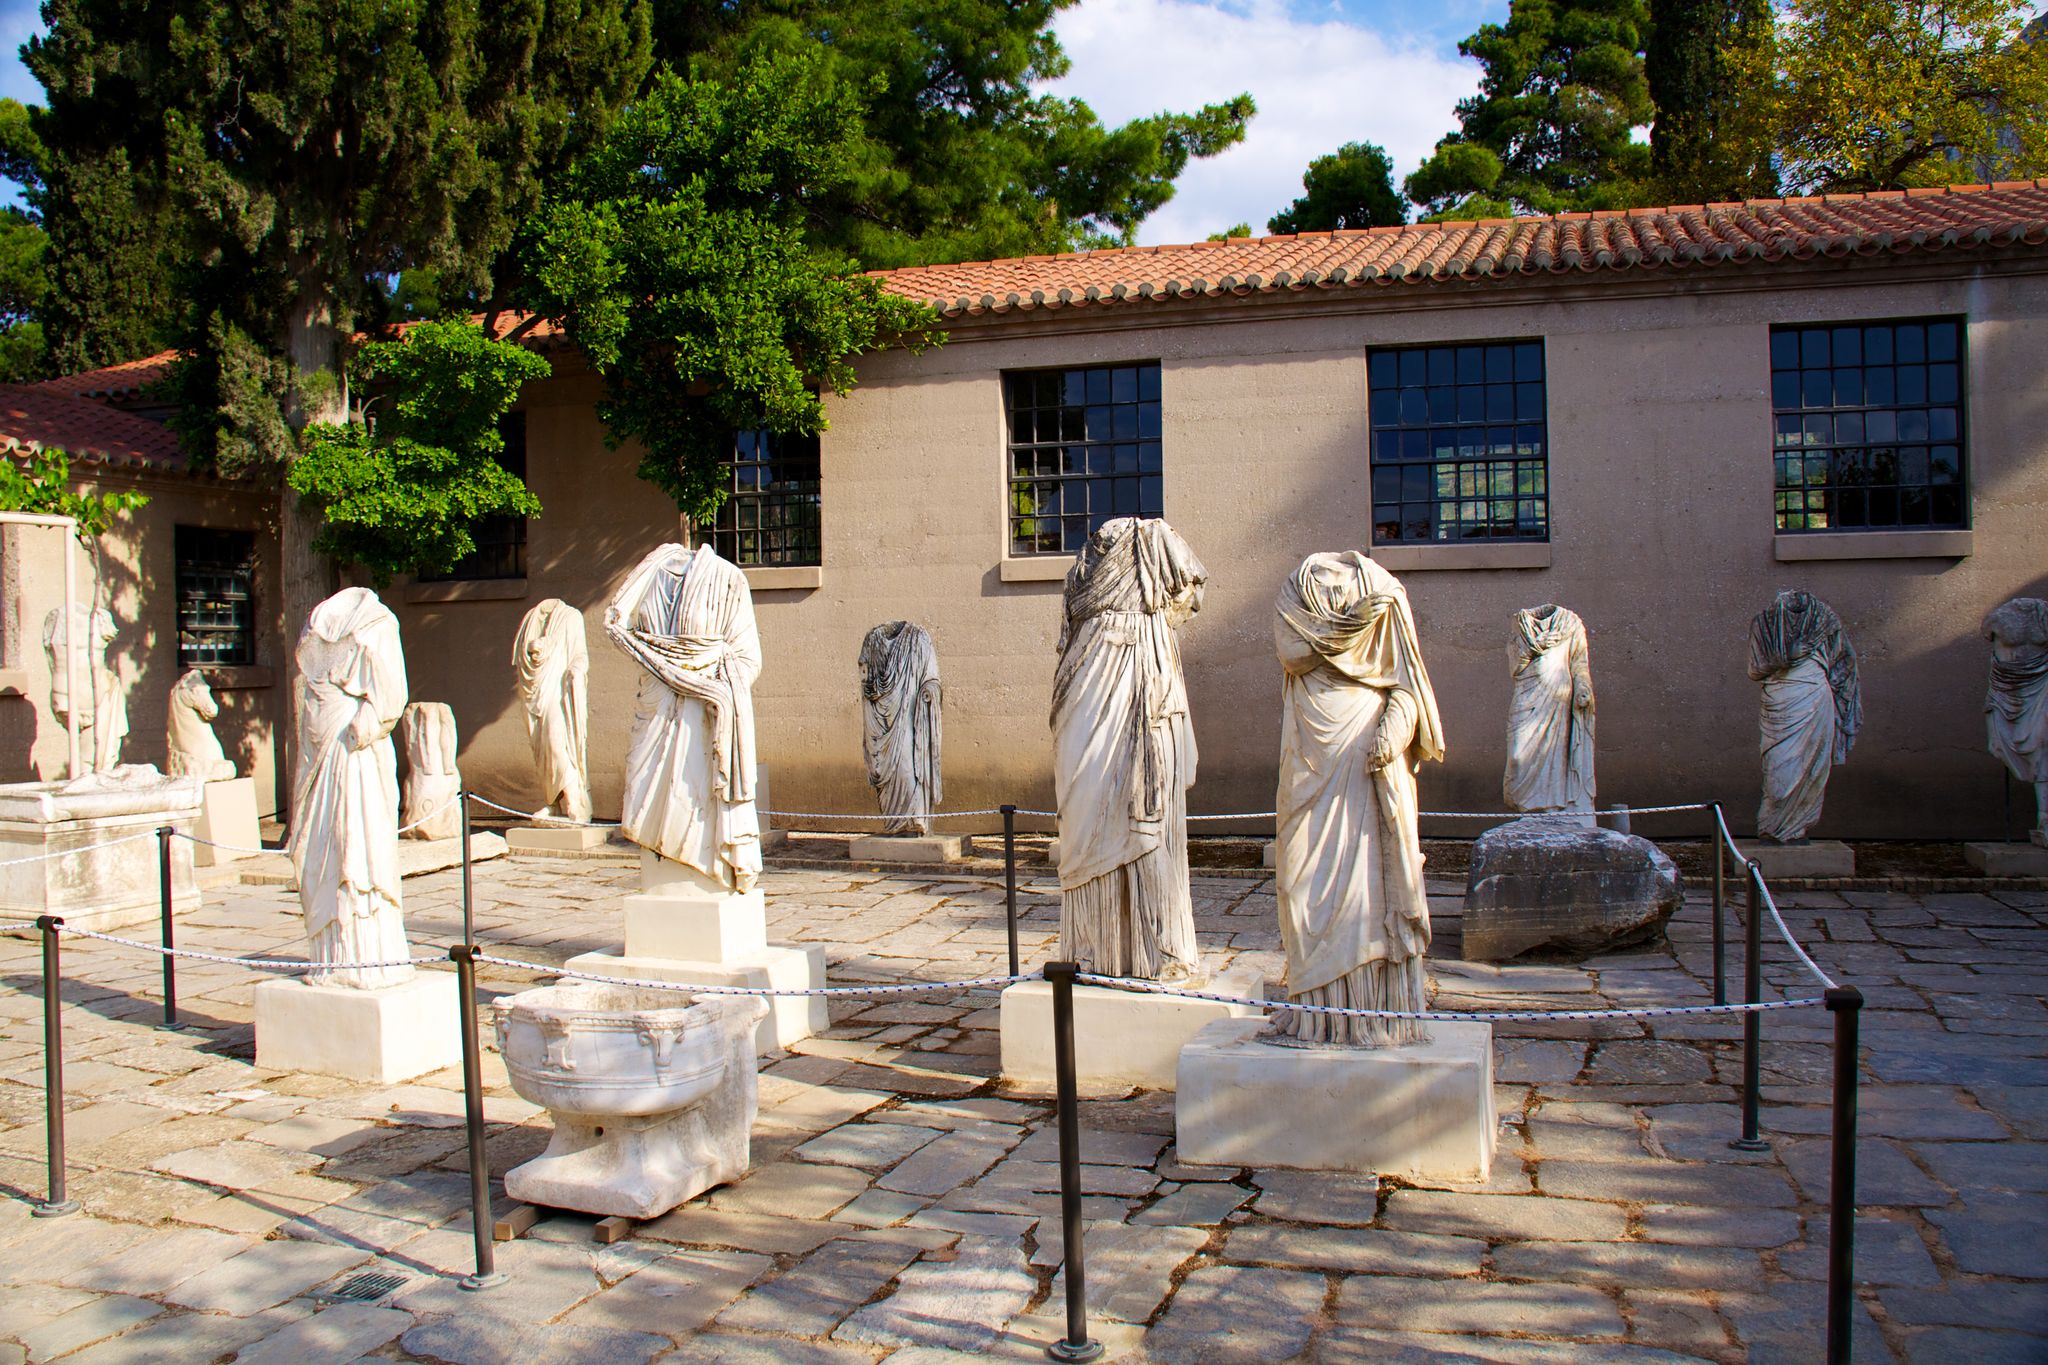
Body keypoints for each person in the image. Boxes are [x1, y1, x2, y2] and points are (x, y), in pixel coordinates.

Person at [1271, 552, 1444, 1048]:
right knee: (1297, 881)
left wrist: (1395, 726)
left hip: (1363, 746)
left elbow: (1408, 685)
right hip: (1308, 751)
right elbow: (1291, 650)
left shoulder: (1384, 592)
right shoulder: (1293, 590)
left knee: (1369, 887)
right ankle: (1316, 1012)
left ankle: (1374, 1014)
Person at [1051, 516, 1206, 981]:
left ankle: (1157, 949)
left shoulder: (1153, 542)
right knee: (1087, 815)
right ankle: (1093, 946)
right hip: (1085, 685)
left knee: (1145, 816)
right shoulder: (1087, 569)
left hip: (1139, 680)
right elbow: (1191, 593)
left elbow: (1192, 590)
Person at [607, 543, 762, 891]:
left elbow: (748, 658)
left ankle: (704, 864)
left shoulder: (726, 579)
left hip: (703, 709)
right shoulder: (647, 577)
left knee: (693, 790)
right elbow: (622, 625)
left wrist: (714, 687)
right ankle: (664, 866)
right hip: (655, 705)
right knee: (643, 784)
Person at [289, 587, 414, 989]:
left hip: (354, 756)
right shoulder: (373, 627)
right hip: (333, 754)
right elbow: (389, 698)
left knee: (358, 849)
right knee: (332, 847)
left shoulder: (372, 626)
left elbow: (387, 701)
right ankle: (335, 956)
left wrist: (371, 722)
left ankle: (365, 955)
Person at [1748, 590, 1860, 843]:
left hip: (1817, 700)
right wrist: (1788, 657)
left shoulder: (1825, 622)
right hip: (1780, 701)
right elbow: (1754, 670)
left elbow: (1843, 663)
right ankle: (1773, 826)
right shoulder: (1765, 623)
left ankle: (1796, 828)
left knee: (1814, 768)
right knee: (1778, 772)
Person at [1502, 604, 1595, 814]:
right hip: (1526, 696)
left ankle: (1550, 810)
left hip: (1556, 700)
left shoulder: (1571, 624)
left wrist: (1583, 688)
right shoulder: (1520, 627)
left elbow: (1579, 663)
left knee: (1554, 755)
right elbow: (1514, 668)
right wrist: (1535, 647)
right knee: (1517, 755)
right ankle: (1527, 809)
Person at [512, 598, 593, 822]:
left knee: (558, 743)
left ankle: (574, 800)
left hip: (558, 692)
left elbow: (580, 654)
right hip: (533, 693)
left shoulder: (570, 617)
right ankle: (553, 803)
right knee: (542, 750)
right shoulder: (531, 620)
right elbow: (522, 659)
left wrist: (577, 670)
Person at [859, 621, 943, 835]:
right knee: (885, 774)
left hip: (908, 717)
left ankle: (915, 820)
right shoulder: (871, 641)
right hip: (881, 722)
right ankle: (894, 824)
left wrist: (929, 691)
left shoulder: (918, 638)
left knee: (909, 768)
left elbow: (932, 677)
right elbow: (865, 676)